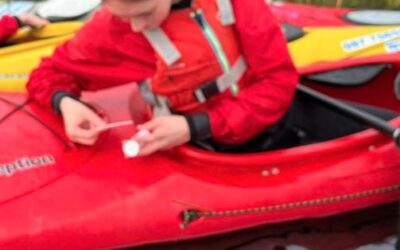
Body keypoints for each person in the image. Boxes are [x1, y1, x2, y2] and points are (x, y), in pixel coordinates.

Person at [27, 0, 299, 156]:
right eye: (123, 16)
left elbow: (278, 82)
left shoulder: (235, 4)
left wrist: (196, 126)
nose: (135, 27)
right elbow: (48, 74)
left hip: (262, 132)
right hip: (192, 146)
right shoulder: (112, 27)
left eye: (144, 14)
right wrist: (65, 103)